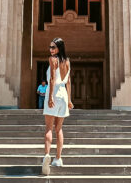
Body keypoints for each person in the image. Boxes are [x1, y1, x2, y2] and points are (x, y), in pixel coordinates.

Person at [40, 37, 73, 175]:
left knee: (49, 128)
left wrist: (50, 97)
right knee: (59, 129)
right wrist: (70, 100)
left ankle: (47, 155)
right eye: (50, 47)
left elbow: (52, 79)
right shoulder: (67, 61)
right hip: (64, 94)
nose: (51, 50)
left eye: (53, 47)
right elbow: (69, 81)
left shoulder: (53, 59)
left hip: (53, 92)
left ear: (59, 48)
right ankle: (58, 158)